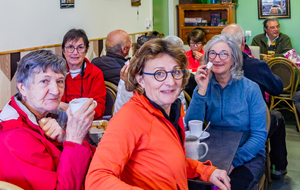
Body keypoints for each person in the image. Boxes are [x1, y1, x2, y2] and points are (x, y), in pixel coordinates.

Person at [86, 39, 231, 190]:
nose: (170, 81)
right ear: (140, 79)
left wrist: (207, 171)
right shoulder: (129, 118)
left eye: (176, 71)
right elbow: (97, 179)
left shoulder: (172, 109)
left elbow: (172, 163)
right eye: (159, 73)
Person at [0, 50, 96, 190]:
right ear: (23, 88)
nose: (56, 91)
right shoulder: (14, 136)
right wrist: (74, 138)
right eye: (44, 81)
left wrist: (65, 138)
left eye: (60, 81)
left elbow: (94, 160)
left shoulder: (45, 116)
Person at [185, 34, 268, 190]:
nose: (217, 59)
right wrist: (201, 91)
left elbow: (258, 136)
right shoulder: (205, 84)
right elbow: (191, 127)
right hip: (212, 152)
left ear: (234, 59)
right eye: (213, 53)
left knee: (233, 186)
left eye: (224, 53)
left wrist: (234, 162)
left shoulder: (250, 89)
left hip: (246, 155)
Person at [222, 24, 288, 180]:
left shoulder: (213, 67)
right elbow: (277, 88)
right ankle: (279, 167)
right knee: (277, 117)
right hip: (250, 126)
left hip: (218, 129)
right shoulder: (256, 66)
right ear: (243, 43)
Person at [113, 35, 187, 115]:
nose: (171, 82)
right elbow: (119, 113)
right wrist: (128, 86)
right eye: (158, 73)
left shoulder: (172, 79)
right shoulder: (128, 75)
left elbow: (181, 119)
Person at [59, 29, 106, 119]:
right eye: (70, 47)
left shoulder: (95, 73)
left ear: (86, 50)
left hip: (87, 123)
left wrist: (66, 107)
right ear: (63, 51)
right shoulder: (56, 72)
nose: (75, 52)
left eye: (80, 48)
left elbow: (99, 108)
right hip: (60, 122)